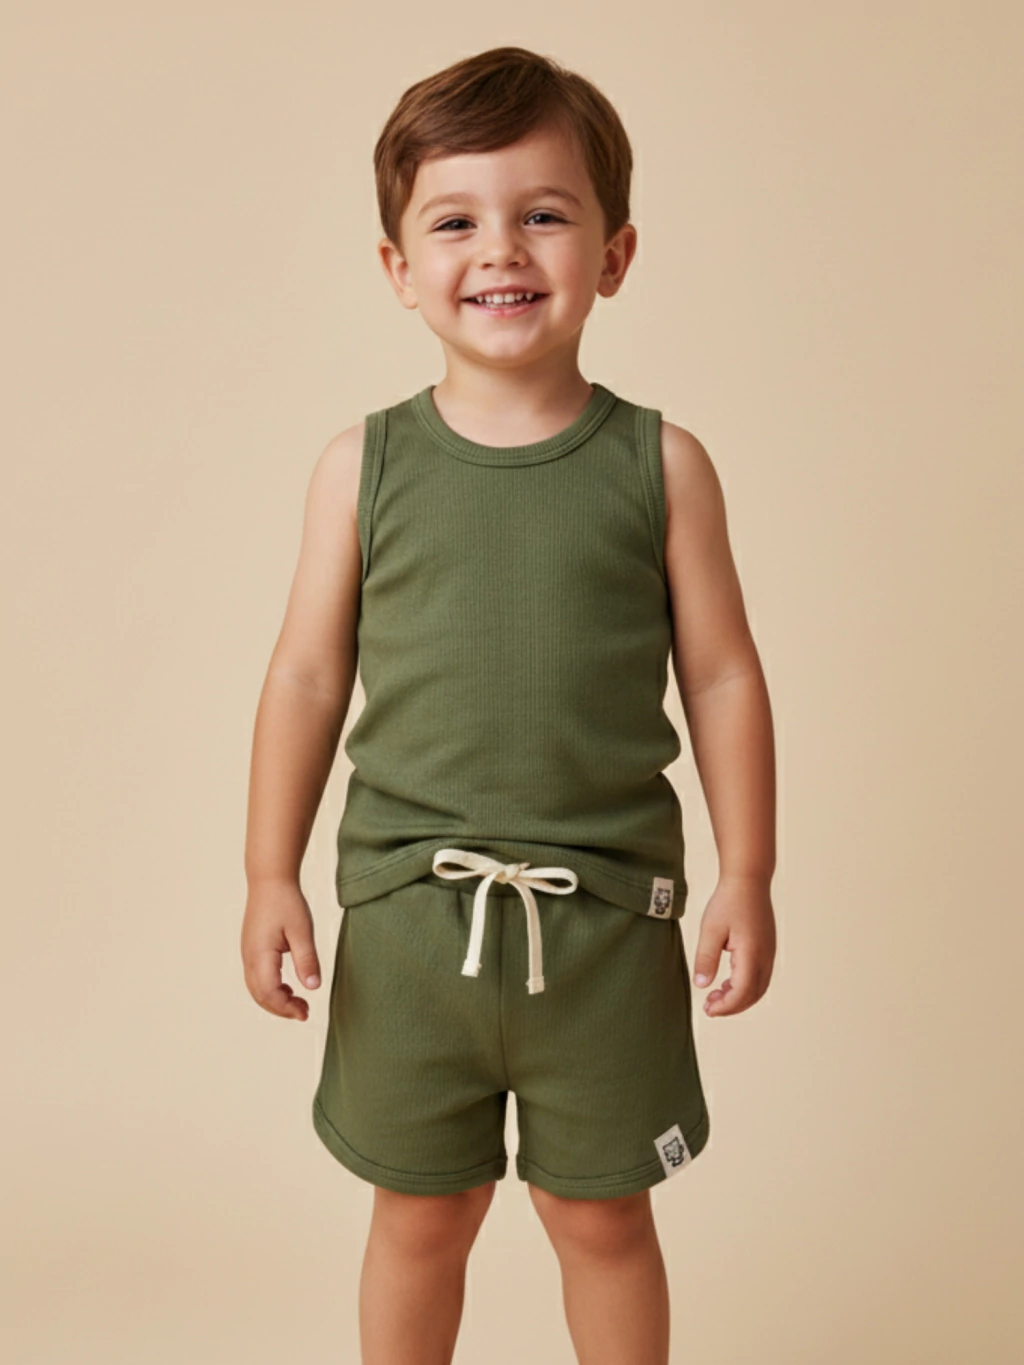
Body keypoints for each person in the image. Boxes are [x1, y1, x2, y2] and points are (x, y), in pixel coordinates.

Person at [241, 43, 777, 1365]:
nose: (501, 251)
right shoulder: (361, 466)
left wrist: (749, 872)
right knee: (421, 1218)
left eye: (544, 213)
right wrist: (268, 873)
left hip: (606, 929)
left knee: (603, 1220)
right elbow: (305, 675)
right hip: (411, 925)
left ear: (614, 253)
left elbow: (722, 674)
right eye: (455, 222)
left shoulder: (663, 465)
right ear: (397, 267)